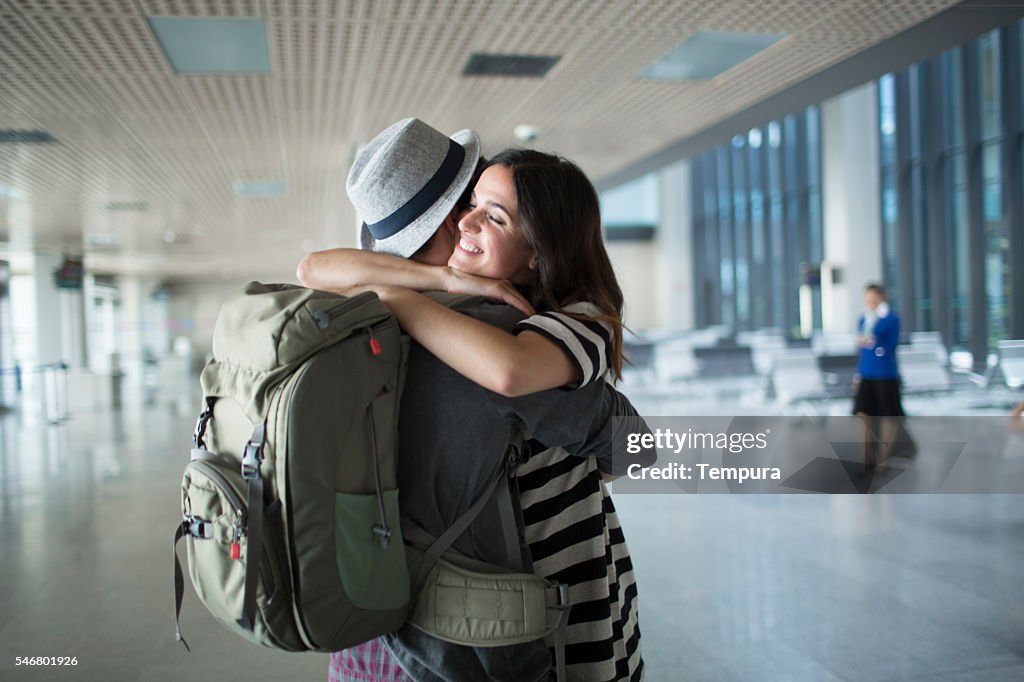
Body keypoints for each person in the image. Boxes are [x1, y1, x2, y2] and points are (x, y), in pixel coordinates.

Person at [302, 119, 652, 681]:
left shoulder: (358, 319)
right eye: (468, 204)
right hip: (521, 616)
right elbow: (630, 445)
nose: (468, 220)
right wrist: (426, 291)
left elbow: (311, 269)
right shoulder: (495, 330)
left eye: (489, 211)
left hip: (368, 615)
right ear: (445, 222)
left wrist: (404, 290)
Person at [853, 283, 906, 468]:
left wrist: (873, 341)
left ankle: (884, 460)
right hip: (866, 374)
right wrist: (858, 376)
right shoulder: (863, 319)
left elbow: (890, 346)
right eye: (868, 298)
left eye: (874, 298)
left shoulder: (891, 319)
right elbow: (862, 352)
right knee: (864, 414)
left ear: (882, 297)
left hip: (885, 374)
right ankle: (867, 459)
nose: (870, 302)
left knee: (888, 415)